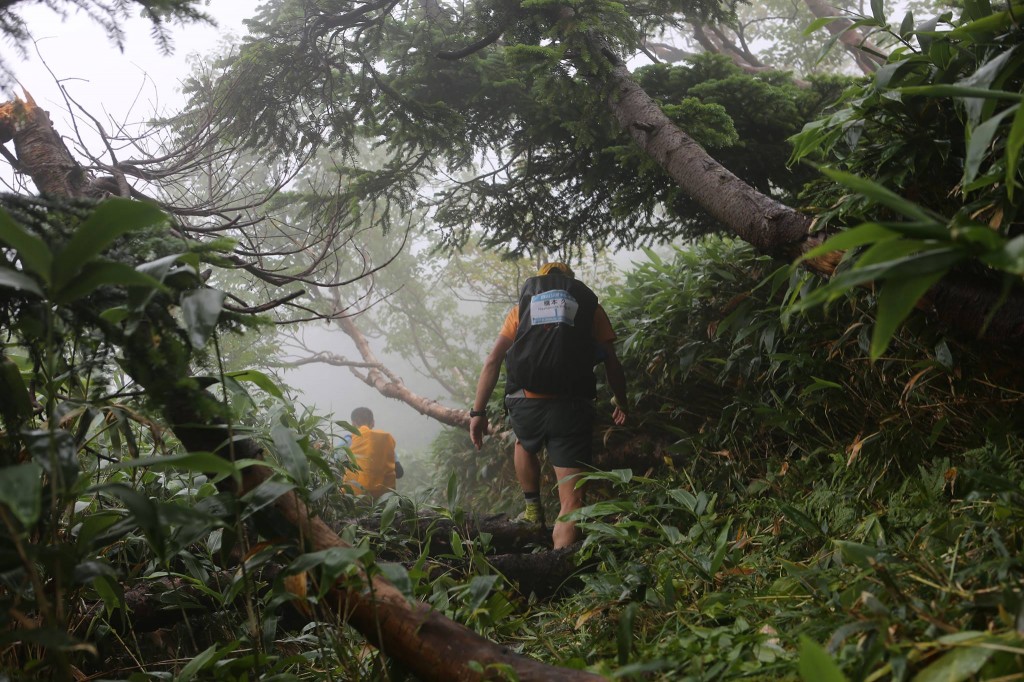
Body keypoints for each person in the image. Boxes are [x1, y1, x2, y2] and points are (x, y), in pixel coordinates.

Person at [470, 262, 628, 549]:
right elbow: (611, 362)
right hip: (571, 407)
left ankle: (533, 509)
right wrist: (622, 400)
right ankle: (558, 567)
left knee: (523, 442)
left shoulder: (522, 310)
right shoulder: (590, 308)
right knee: (572, 503)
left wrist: (478, 413)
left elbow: (493, 360)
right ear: (570, 283)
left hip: (525, 404)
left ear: (540, 283)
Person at [343, 407, 403, 500]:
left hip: (355, 499)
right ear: (373, 422)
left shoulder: (348, 440)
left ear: (353, 424)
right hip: (383, 500)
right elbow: (399, 473)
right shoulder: (385, 441)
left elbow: (332, 465)